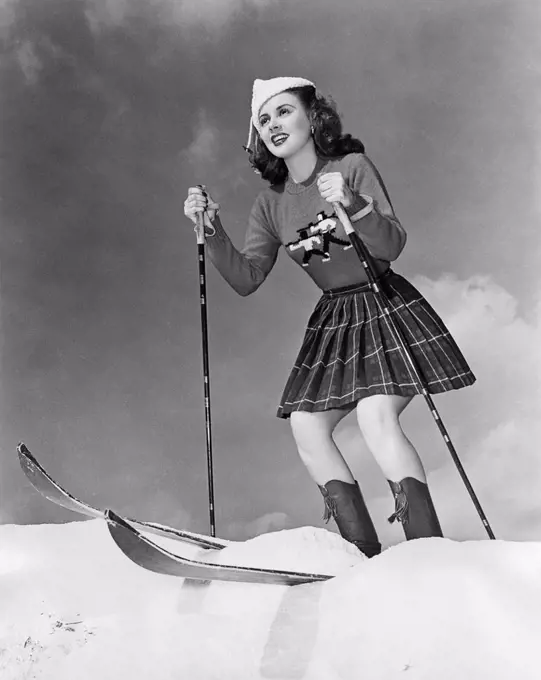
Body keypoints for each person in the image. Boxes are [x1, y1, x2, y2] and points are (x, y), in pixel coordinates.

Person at [183, 76, 476, 557]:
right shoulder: (269, 204)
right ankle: (361, 551)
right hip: (335, 322)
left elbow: (391, 247)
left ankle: (427, 551)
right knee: (306, 424)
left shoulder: (350, 166)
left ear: (311, 116)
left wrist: (352, 203)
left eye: (283, 111)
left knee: (375, 415)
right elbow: (247, 277)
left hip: (382, 303)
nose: (273, 125)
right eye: (263, 120)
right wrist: (209, 230)